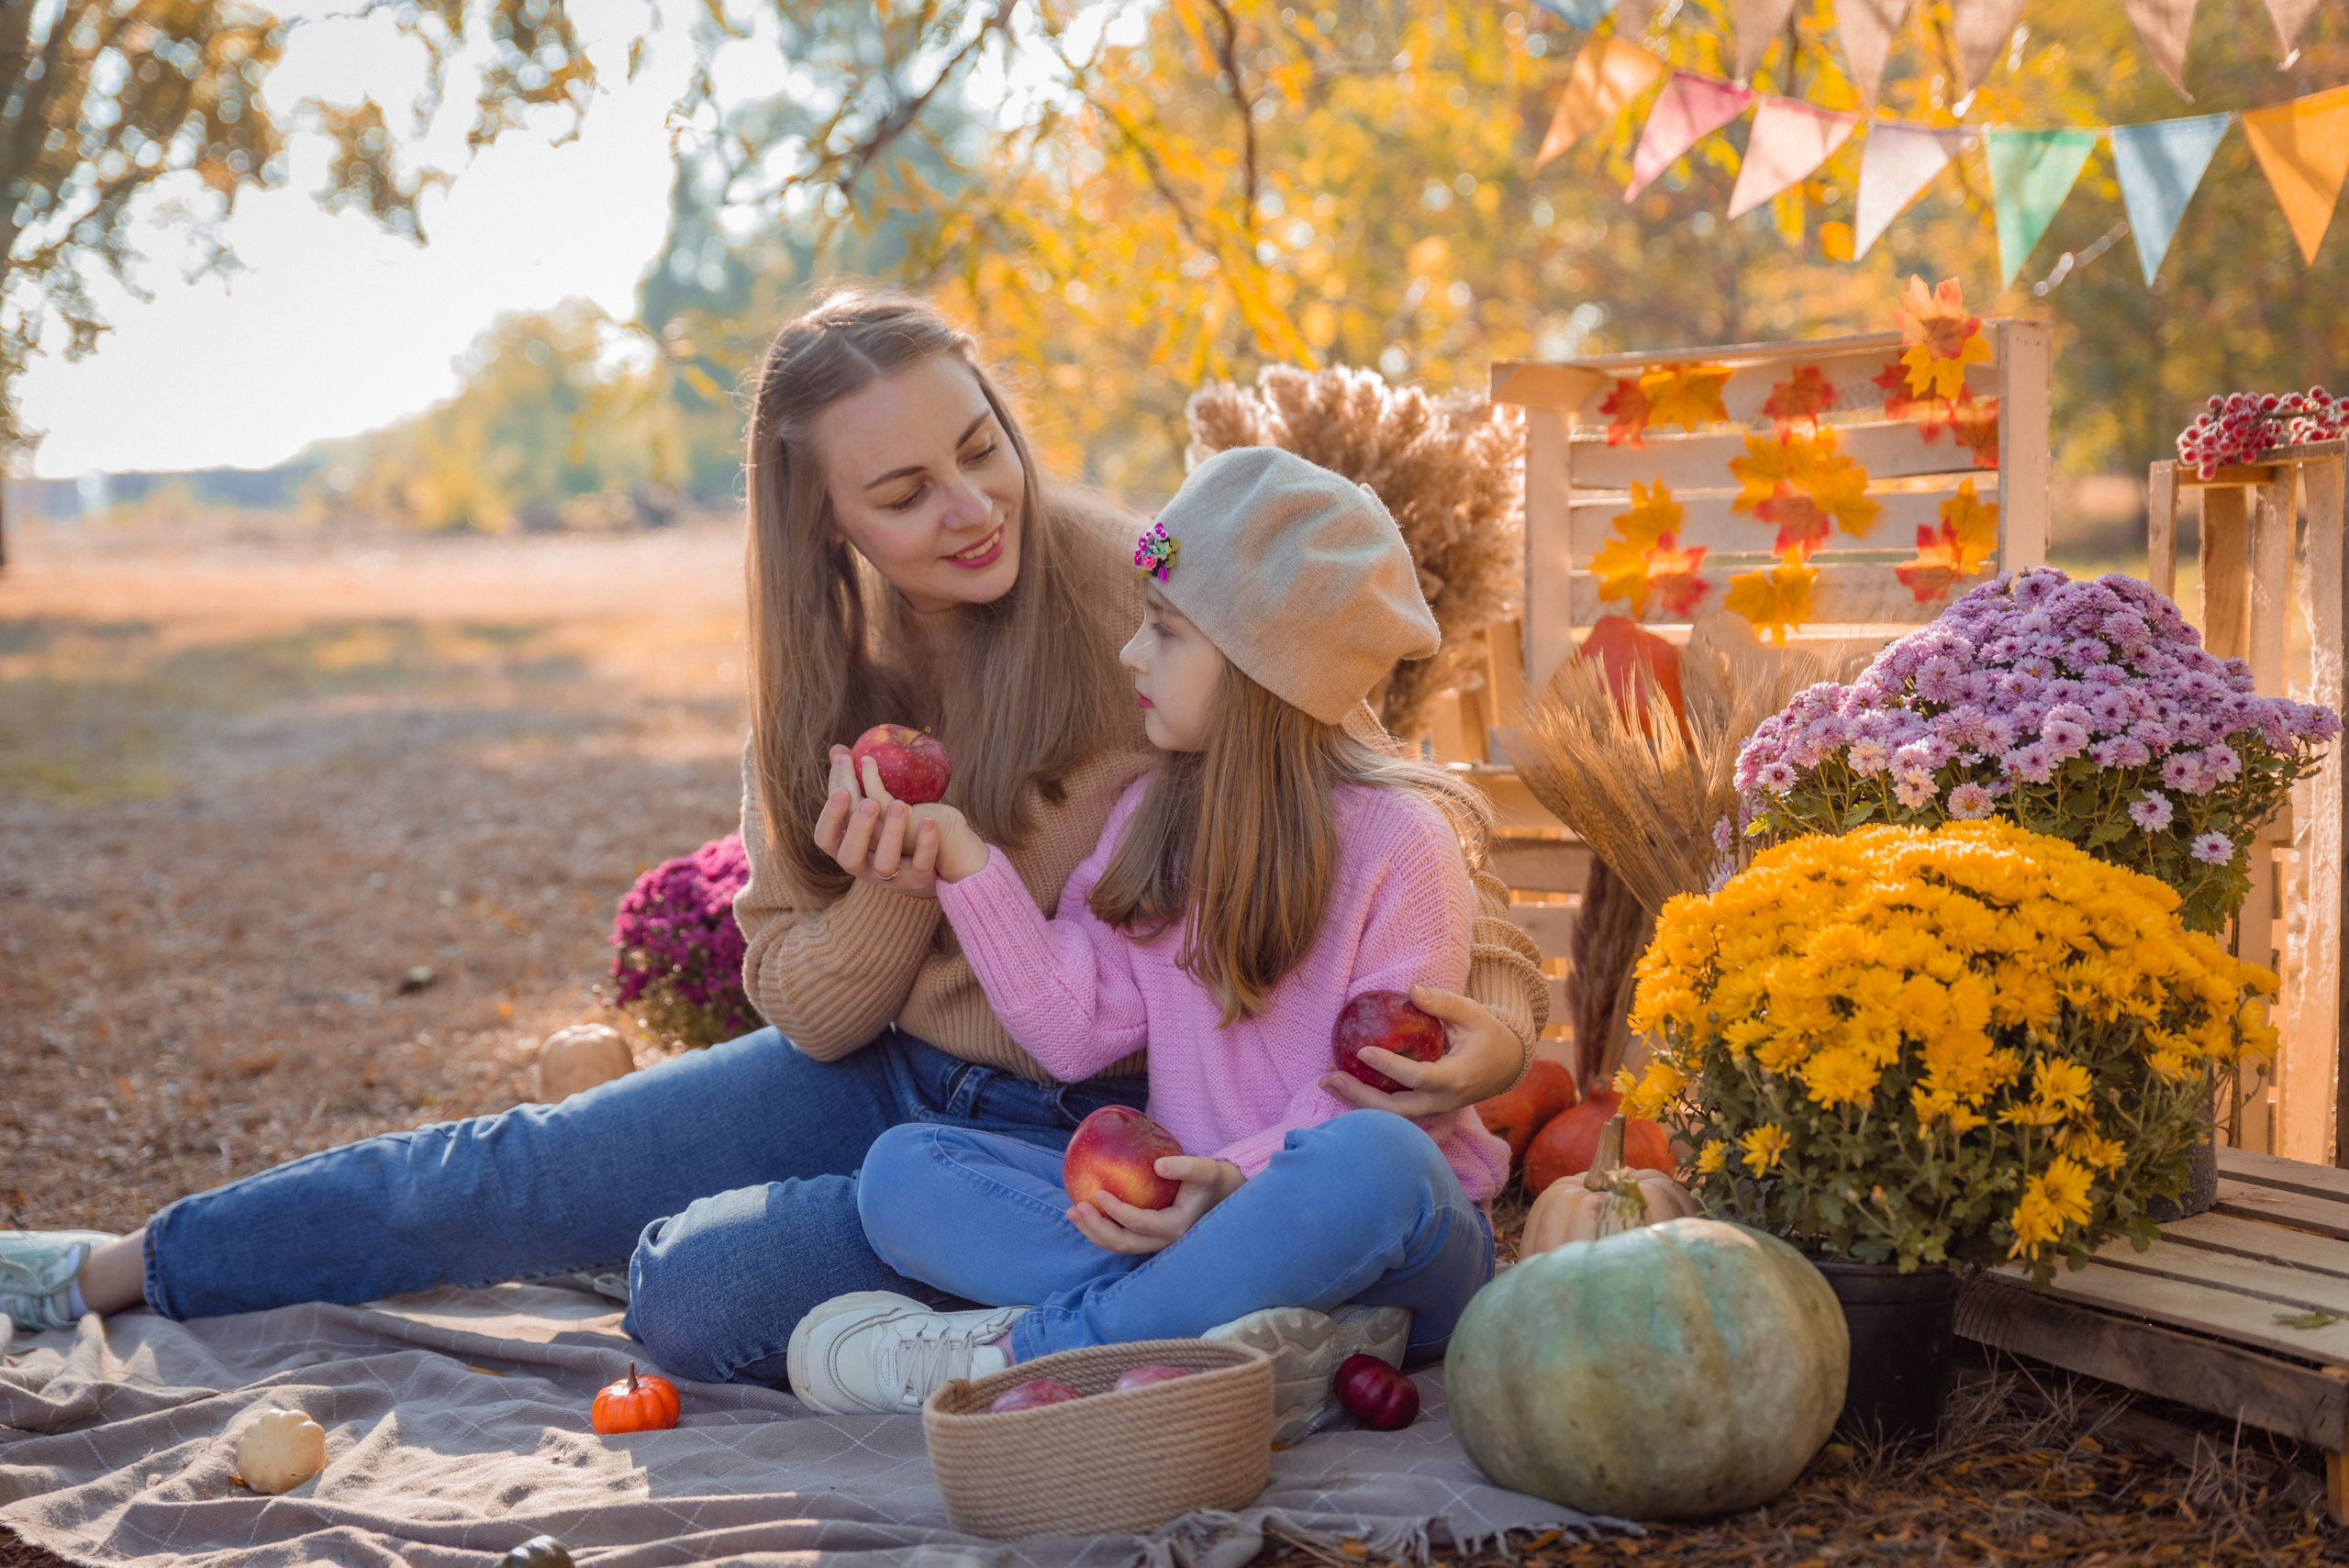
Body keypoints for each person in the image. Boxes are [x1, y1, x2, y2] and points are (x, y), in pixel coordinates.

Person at [0, 292, 1547, 1387]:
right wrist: (904, 875)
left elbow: (1375, 849)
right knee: (510, 1171)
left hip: (1117, 1123)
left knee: (699, 1289)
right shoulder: (819, 693)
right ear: (829, 527)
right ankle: (117, 1266)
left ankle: (1070, 1337)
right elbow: (807, 1007)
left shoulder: (1155, 595)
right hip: (900, 1090)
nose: (969, 503)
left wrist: (1504, 1030)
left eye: (982, 446)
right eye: (903, 487)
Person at [786, 448, 1505, 1434]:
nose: (1130, 653)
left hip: (1382, 1229)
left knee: (1376, 1159)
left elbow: (1378, 1092)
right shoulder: (1152, 819)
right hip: (1188, 1212)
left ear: (1266, 666)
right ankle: (1256, 1331)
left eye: (1164, 631)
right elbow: (1076, 1031)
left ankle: (1027, 1352)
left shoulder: (1403, 842)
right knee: (904, 1173)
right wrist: (964, 863)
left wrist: (1232, 1187)